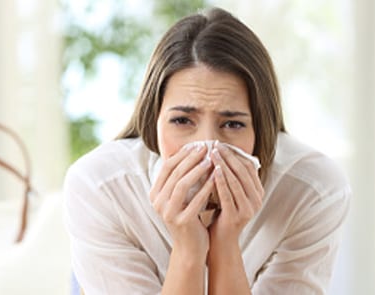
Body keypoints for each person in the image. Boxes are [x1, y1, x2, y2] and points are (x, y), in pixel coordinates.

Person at [64, 7, 351, 295]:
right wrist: (189, 250)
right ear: (153, 122)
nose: (208, 147)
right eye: (182, 121)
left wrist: (225, 245)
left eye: (232, 124)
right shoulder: (100, 187)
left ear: (261, 129)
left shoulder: (313, 190)